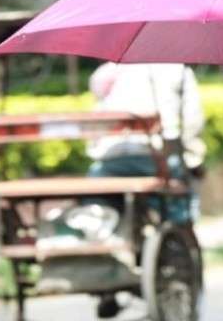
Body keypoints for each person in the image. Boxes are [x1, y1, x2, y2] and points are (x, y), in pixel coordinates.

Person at [87, 62, 206, 318]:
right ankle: (178, 247)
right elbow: (193, 122)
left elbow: (96, 123)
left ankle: (107, 238)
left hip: (111, 160)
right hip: (157, 159)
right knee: (178, 199)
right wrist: (192, 155)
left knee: (98, 195)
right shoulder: (178, 70)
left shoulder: (106, 73)